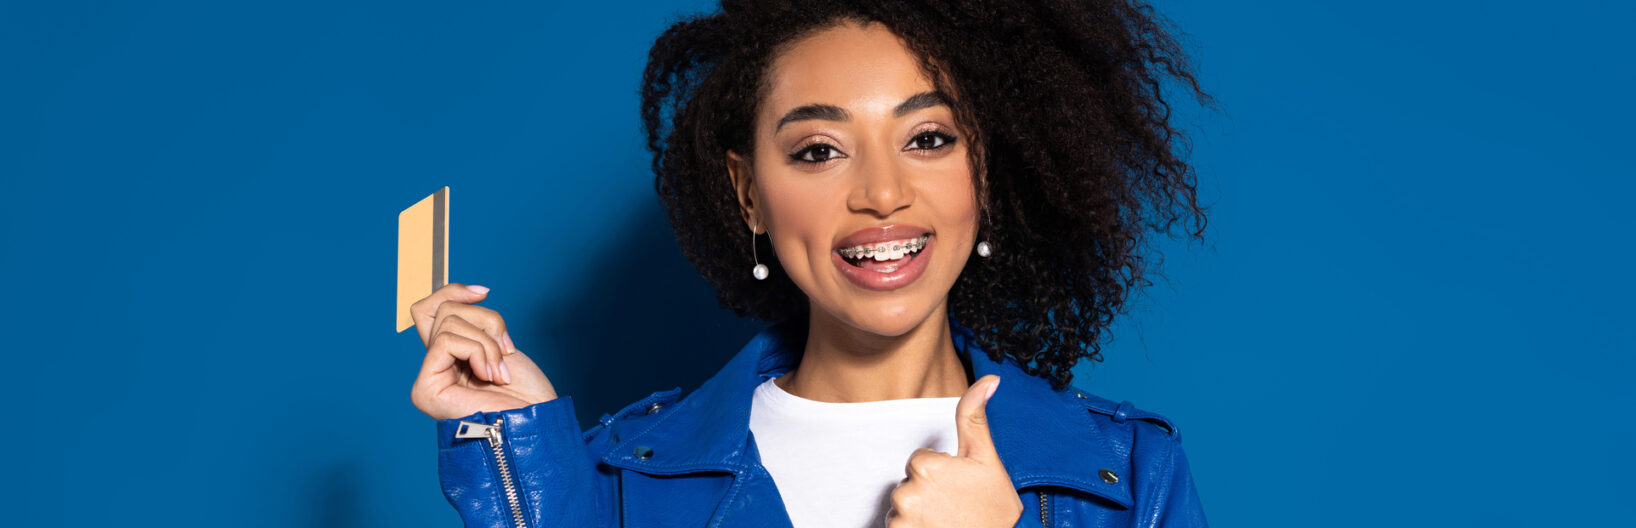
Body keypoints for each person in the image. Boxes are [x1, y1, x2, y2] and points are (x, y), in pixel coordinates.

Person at [409, 0, 1212, 526]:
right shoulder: (618, 482)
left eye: (928, 138)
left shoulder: (1128, 475)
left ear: (986, 172)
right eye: (819, 150)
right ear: (749, 192)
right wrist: (531, 462)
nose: (883, 193)